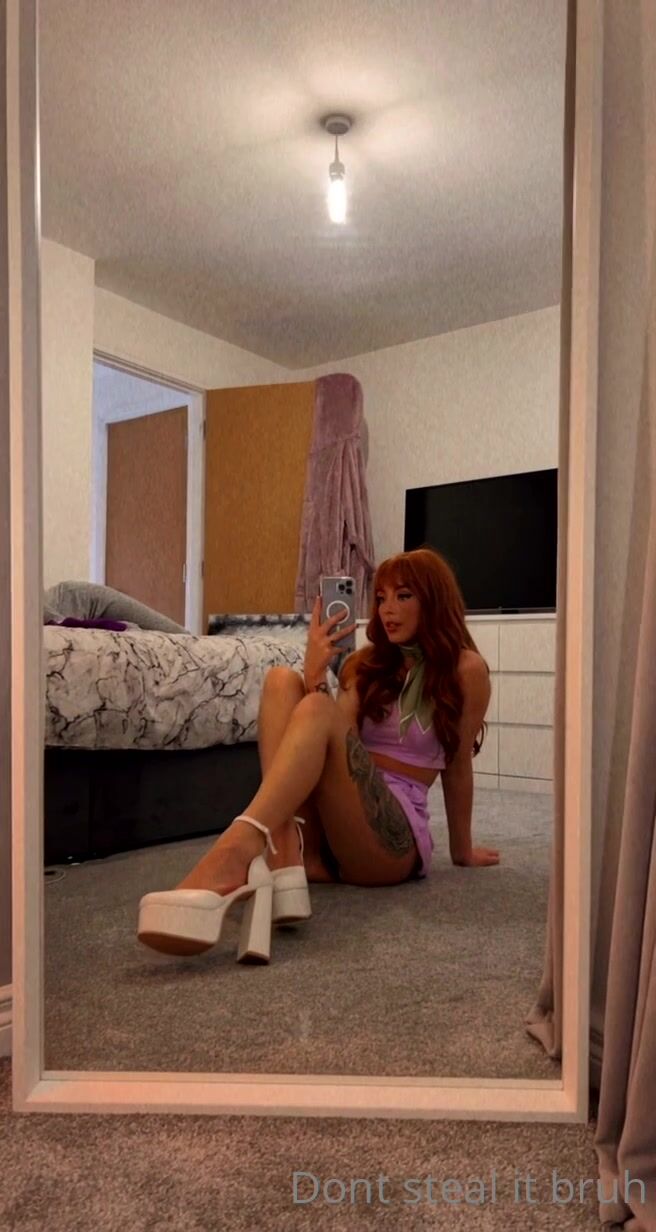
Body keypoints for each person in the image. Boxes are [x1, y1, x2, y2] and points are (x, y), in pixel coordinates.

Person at [137, 547, 499, 961]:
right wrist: (313, 675)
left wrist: (462, 850)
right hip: (332, 826)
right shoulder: (366, 664)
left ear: (434, 601)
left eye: (403, 596)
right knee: (281, 681)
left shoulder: (466, 670)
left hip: (388, 840)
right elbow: (337, 740)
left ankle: (237, 850)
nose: (387, 610)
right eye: (381, 598)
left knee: (314, 705)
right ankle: (287, 857)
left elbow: (457, 766)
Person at [44, 580, 189, 633]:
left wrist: (127, 629)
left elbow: (60, 623)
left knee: (185, 640)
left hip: (80, 600)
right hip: (69, 610)